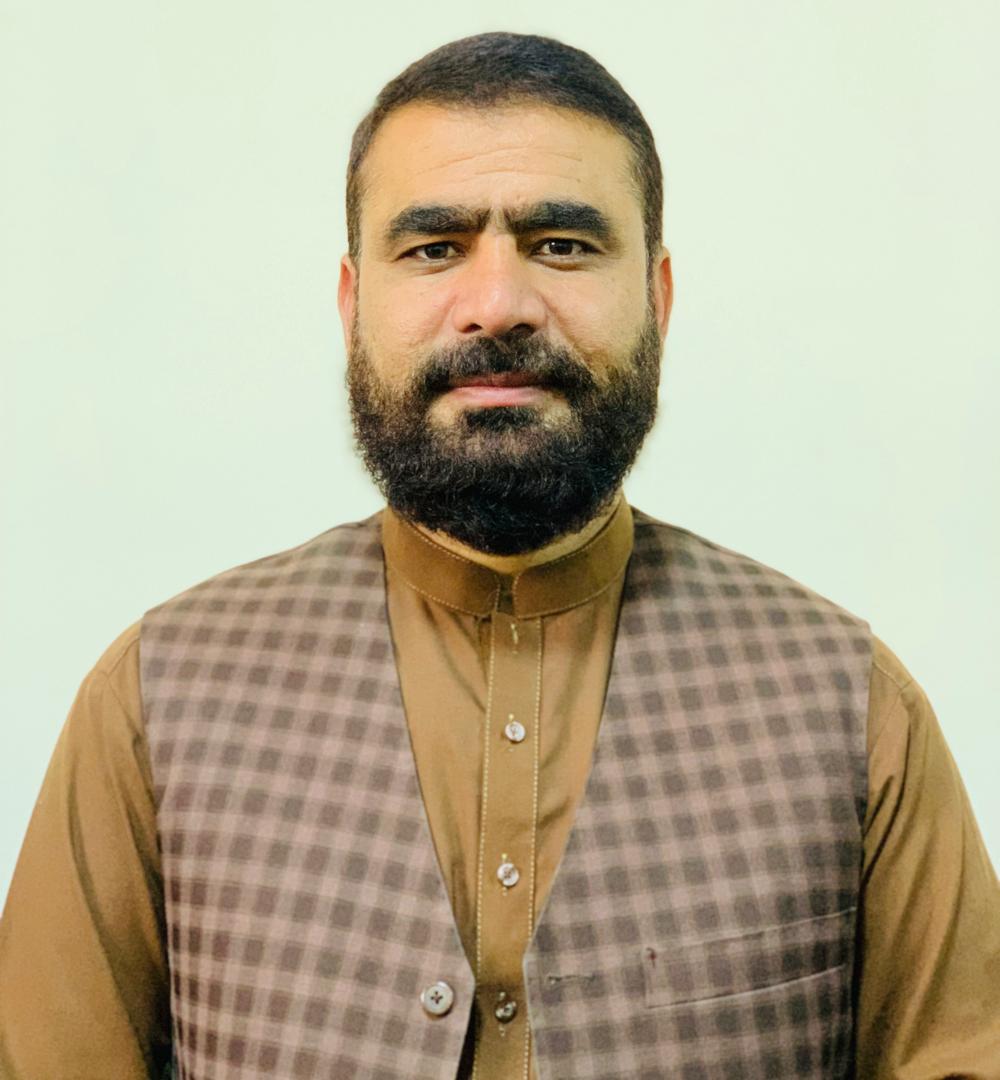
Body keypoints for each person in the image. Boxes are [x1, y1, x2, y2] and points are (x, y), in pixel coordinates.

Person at [0, 30, 997, 1080]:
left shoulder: (851, 709)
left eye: (561, 245)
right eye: (434, 248)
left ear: (657, 299)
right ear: (352, 306)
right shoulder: (158, 698)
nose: (498, 305)